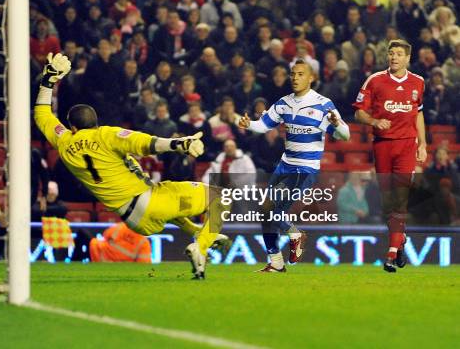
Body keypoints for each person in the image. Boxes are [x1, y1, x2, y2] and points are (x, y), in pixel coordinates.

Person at [34, 53, 230, 279]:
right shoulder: (105, 134)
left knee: (172, 205)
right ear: (95, 123)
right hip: (150, 201)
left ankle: (201, 236)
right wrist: (179, 143)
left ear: (72, 126)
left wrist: (48, 79)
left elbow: (42, 114)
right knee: (220, 197)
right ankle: (201, 247)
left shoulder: (64, 141)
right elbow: (144, 142)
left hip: (134, 220)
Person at [238, 59, 350, 272]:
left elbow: (345, 135)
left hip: (305, 168)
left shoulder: (322, 104)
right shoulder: (284, 102)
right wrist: (249, 124)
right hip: (285, 164)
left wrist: (336, 124)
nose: (295, 78)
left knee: (267, 208)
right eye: (293, 74)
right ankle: (276, 263)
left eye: (300, 74)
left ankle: (294, 233)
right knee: (265, 213)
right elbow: (264, 125)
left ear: (311, 78)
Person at [353, 39, 427, 272]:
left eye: (398, 54)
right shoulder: (375, 80)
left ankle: (391, 253)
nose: (394, 57)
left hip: (406, 145)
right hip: (382, 146)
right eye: (391, 53)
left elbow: (418, 114)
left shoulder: (418, 82)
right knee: (388, 204)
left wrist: (423, 144)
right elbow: (358, 113)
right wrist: (374, 121)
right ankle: (400, 239)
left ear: (407, 59)